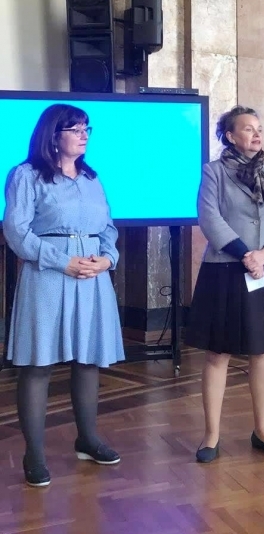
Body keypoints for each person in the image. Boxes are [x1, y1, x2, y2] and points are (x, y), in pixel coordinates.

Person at [3, 104, 124, 488]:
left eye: (87, 128)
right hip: (48, 275)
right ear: (54, 135)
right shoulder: (26, 175)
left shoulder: (91, 178)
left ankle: (87, 439)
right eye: (76, 129)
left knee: (88, 360)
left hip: (92, 276)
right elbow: (16, 231)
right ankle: (34, 454)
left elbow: (108, 227)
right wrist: (63, 262)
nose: (85, 134)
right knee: (37, 364)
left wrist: (108, 259)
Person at [185, 105, 264, 461]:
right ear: (230, 136)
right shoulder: (213, 172)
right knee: (219, 352)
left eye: (258, 128)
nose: (256, 133)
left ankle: (262, 430)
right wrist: (246, 254)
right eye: (248, 128)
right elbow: (209, 218)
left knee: (261, 351)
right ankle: (211, 436)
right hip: (225, 269)